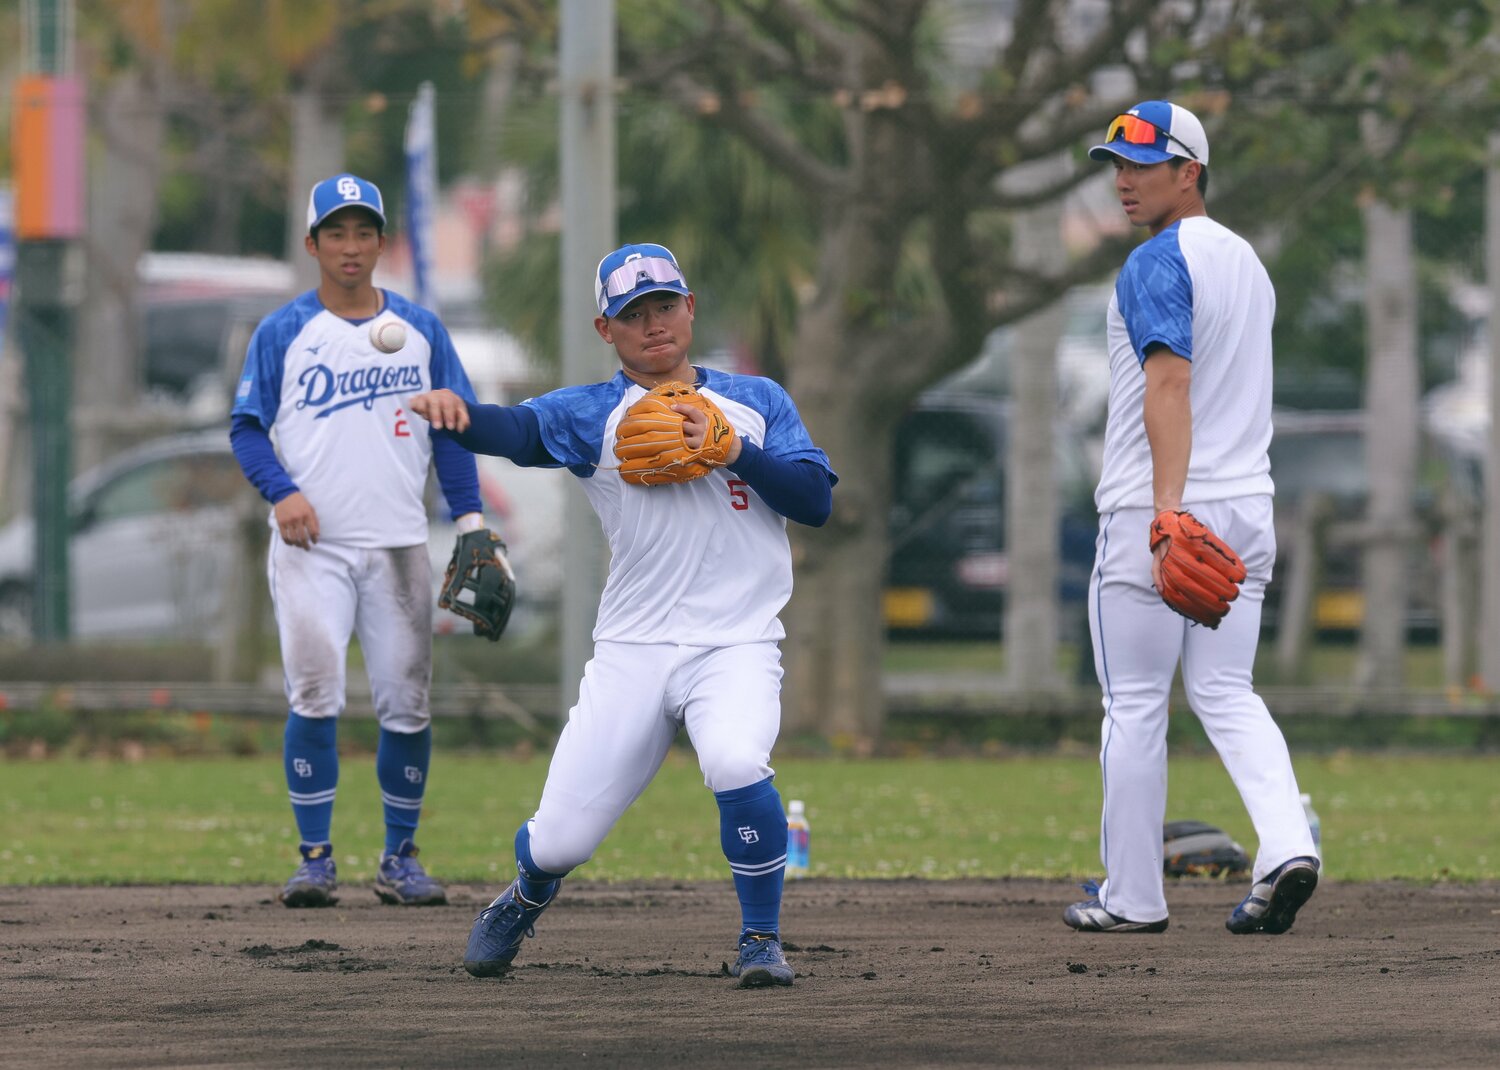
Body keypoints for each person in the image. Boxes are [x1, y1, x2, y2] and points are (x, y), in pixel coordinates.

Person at [408, 242, 836, 986]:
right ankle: (527, 891)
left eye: (664, 305)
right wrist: (461, 418)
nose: (653, 324)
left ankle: (761, 939)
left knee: (737, 759)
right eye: (632, 314)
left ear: (690, 307)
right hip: (634, 648)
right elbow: (511, 430)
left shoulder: (758, 401)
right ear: (606, 331)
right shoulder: (593, 413)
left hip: (735, 643)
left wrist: (735, 450)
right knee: (560, 842)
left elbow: (816, 502)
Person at [1067, 102, 1320, 935]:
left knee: (1135, 704)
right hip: (1248, 504)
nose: (1125, 179)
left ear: (1191, 172)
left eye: (1144, 163)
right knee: (1226, 690)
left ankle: (1133, 898)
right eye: (1118, 162)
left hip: (1160, 506)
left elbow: (1168, 385)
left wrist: (1167, 510)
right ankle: (1286, 844)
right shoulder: (1249, 262)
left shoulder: (1154, 261)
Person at [229, 173, 497, 909]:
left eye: (364, 232)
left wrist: (470, 519)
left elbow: (454, 429)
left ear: (382, 242)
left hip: (399, 545)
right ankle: (314, 860)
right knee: (314, 693)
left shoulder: (420, 329)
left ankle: (399, 859)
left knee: (407, 705)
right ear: (312, 244)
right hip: (313, 547)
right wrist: (281, 494)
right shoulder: (284, 330)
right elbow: (247, 428)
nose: (351, 246)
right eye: (336, 233)